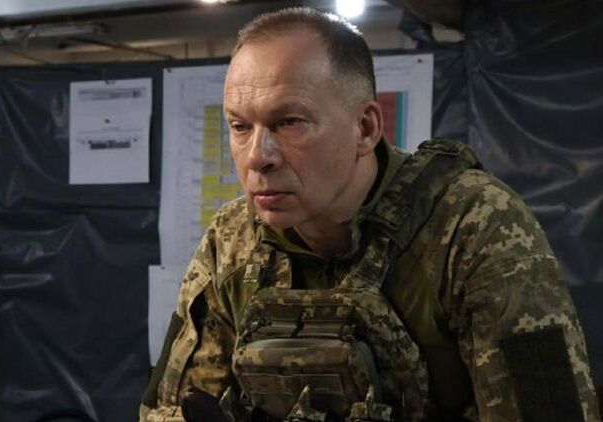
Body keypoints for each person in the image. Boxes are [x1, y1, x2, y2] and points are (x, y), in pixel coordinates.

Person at [140, 7, 600, 422]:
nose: (258, 156)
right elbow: (168, 409)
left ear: (365, 128)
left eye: (290, 122)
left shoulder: (472, 224)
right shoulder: (232, 239)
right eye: (240, 126)